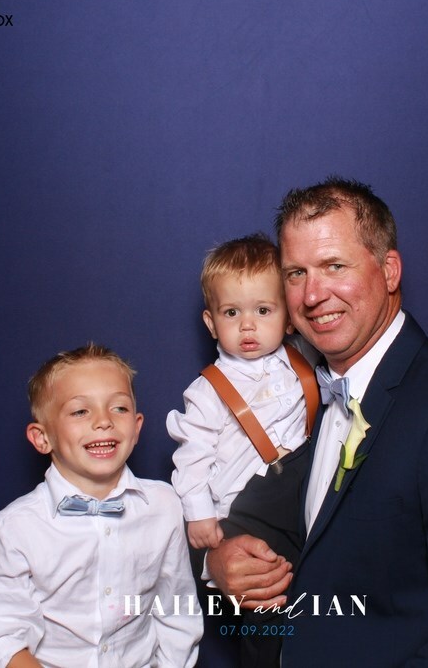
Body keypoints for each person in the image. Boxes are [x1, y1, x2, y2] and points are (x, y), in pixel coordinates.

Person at [207, 178, 428, 666]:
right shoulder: (300, 386)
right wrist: (217, 562)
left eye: (334, 266)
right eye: (296, 273)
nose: (312, 294)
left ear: (389, 270)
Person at [0, 344, 202, 668]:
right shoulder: (11, 531)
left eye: (119, 408)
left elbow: (175, 609)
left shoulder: (164, 505)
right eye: (80, 411)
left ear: (137, 427)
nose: (103, 421)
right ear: (42, 438)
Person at [166, 233, 315, 666]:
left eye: (263, 311)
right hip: (246, 508)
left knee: (313, 597)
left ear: (288, 316)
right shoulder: (207, 391)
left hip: (301, 493)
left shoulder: (302, 360)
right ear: (212, 323)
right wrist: (199, 514)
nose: (247, 326)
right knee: (266, 598)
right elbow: (192, 456)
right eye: (232, 313)